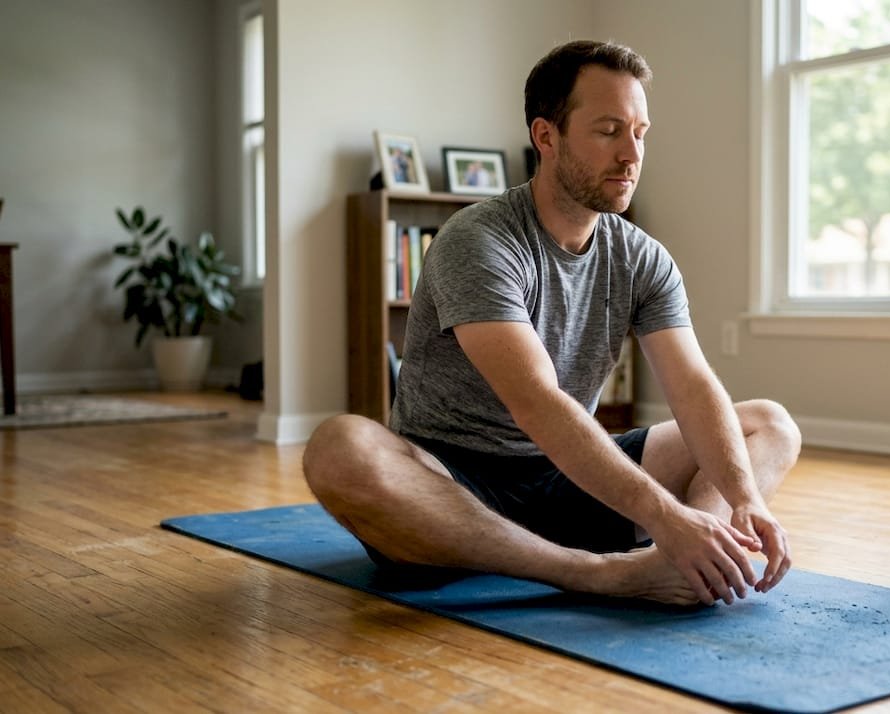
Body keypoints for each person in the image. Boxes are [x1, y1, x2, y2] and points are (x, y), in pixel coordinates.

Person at [303, 40, 801, 606]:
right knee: (337, 448)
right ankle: (595, 573)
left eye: (639, 133)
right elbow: (536, 401)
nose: (631, 154)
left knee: (769, 424)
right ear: (546, 136)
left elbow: (691, 385)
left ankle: (703, 558)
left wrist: (741, 499)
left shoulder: (642, 257)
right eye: (609, 130)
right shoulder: (479, 239)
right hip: (453, 485)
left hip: (572, 476)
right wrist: (660, 511)